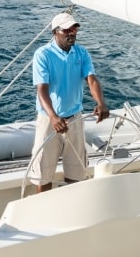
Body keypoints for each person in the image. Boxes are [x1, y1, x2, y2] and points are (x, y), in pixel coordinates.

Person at [30, 12, 109, 192]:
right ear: (55, 32)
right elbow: (41, 89)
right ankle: (45, 208)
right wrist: (53, 117)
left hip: (75, 119)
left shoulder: (81, 53)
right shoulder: (43, 54)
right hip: (49, 120)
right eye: (67, 30)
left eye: (74, 29)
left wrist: (101, 102)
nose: (71, 33)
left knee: (77, 172)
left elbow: (91, 79)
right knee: (43, 174)